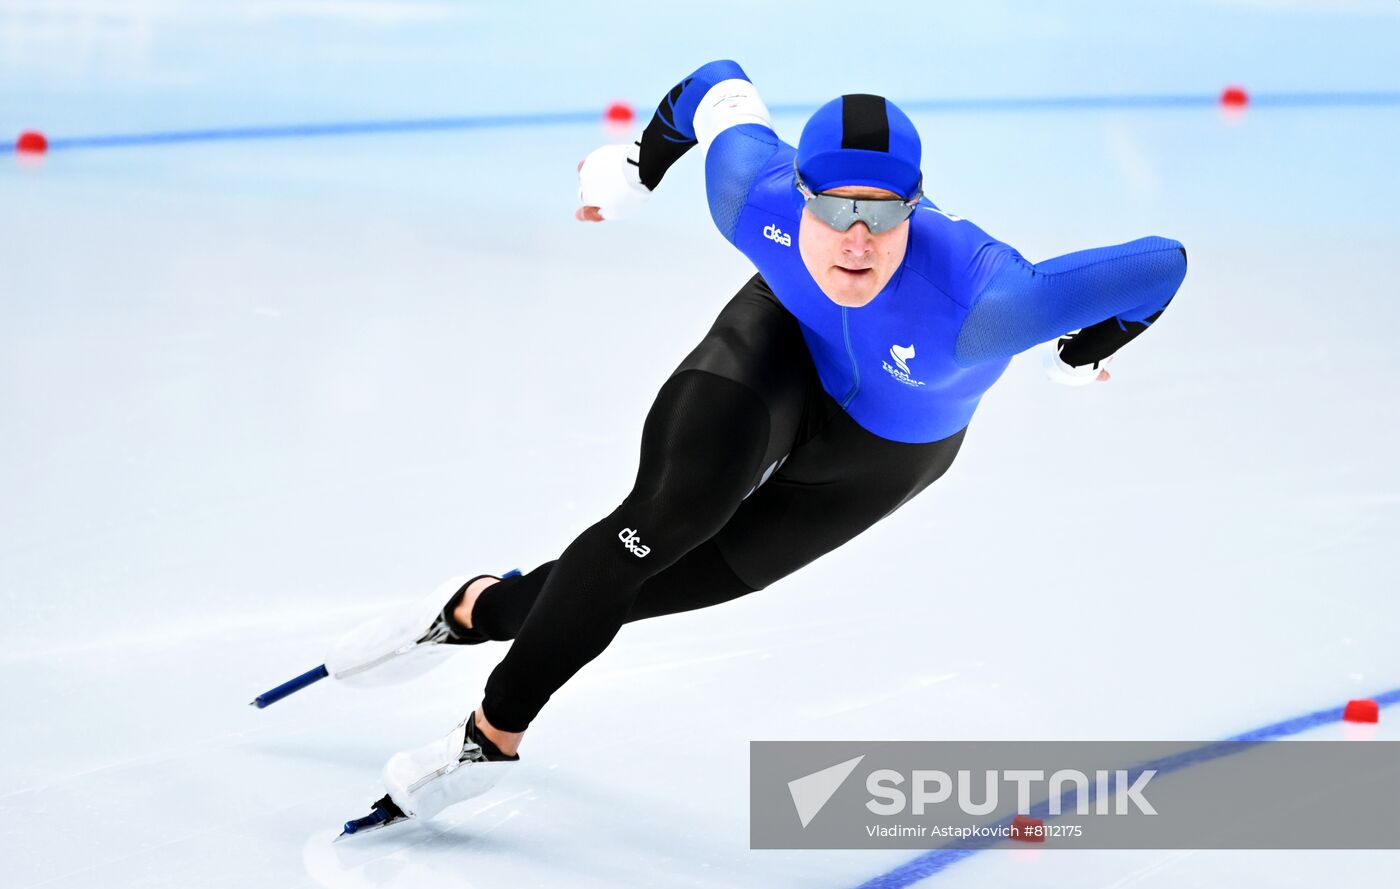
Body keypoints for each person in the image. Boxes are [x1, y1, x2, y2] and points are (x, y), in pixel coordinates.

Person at [333, 60, 1188, 824]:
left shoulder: (989, 302)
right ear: (798, 192)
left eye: (883, 215)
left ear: (916, 207)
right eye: (834, 207)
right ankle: (491, 739)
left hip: (886, 449)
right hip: (779, 343)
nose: (857, 239)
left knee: (640, 586)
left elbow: (1162, 263)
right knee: (662, 520)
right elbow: (715, 82)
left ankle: (479, 608)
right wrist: (639, 164)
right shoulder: (750, 191)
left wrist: (1086, 348)